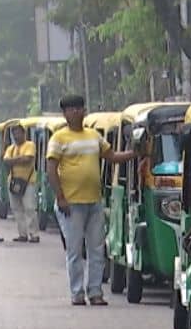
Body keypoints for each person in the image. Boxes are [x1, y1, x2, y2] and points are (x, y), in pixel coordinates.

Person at [46, 95, 134, 305]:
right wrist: (60, 197)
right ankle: (76, 293)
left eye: (79, 108)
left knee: (97, 249)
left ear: (84, 110)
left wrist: (134, 153)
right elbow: (51, 169)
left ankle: (95, 292)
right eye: (71, 109)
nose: (76, 112)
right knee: (75, 251)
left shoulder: (94, 136)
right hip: (71, 204)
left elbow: (111, 156)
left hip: (94, 201)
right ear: (65, 113)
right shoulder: (59, 139)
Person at [3, 124, 39, 243]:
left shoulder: (30, 145)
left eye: (18, 133)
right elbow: (5, 161)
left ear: (24, 133)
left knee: (29, 207)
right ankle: (22, 234)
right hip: (13, 181)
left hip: (28, 181)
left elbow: (28, 159)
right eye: (14, 134)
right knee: (16, 208)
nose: (16, 136)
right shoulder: (10, 148)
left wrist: (13, 160)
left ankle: (34, 234)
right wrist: (19, 159)